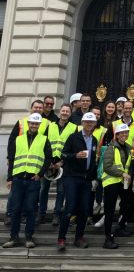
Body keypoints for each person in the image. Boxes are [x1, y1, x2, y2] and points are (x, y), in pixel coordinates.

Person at [3, 113, 51, 249]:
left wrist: (40, 174)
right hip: (18, 179)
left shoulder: (44, 139)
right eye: (32, 123)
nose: (34, 125)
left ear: (39, 125)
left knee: (30, 209)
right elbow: (11, 159)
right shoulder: (18, 139)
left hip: (33, 180)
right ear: (28, 124)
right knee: (15, 209)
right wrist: (9, 178)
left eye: (36, 124)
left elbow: (49, 158)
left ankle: (29, 237)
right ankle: (14, 237)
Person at [57, 111, 98, 252]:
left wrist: (93, 177)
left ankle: (78, 237)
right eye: (87, 122)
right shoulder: (73, 137)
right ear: (82, 123)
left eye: (91, 123)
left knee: (85, 209)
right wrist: (75, 155)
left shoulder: (95, 140)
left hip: (86, 179)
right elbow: (63, 154)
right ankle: (61, 238)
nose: (89, 125)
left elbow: (93, 160)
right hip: (72, 177)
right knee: (70, 207)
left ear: (94, 125)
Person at [40, 103, 76, 226]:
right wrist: (48, 161)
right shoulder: (50, 126)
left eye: (67, 111)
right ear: (60, 112)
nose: (65, 113)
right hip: (49, 163)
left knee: (61, 191)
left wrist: (63, 162)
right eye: (63, 111)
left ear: (70, 114)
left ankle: (57, 215)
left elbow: (73, 148)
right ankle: (41, 214)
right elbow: (43, 143)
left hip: (63, 163)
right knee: (44, 189)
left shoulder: (74, 127)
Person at [100, 123, 133, 249]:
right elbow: (107, 166)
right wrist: (122, 174)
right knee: (109, 211)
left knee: (129, 203)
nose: (124, 135)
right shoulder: (111, 148)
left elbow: (128, 166)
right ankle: (108, 238)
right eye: (122, 133)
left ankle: (120, 226)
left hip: (122, 182)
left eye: (126, 133)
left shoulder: (128, 148)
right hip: (111, 182)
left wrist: (128, 175)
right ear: (117, 135)